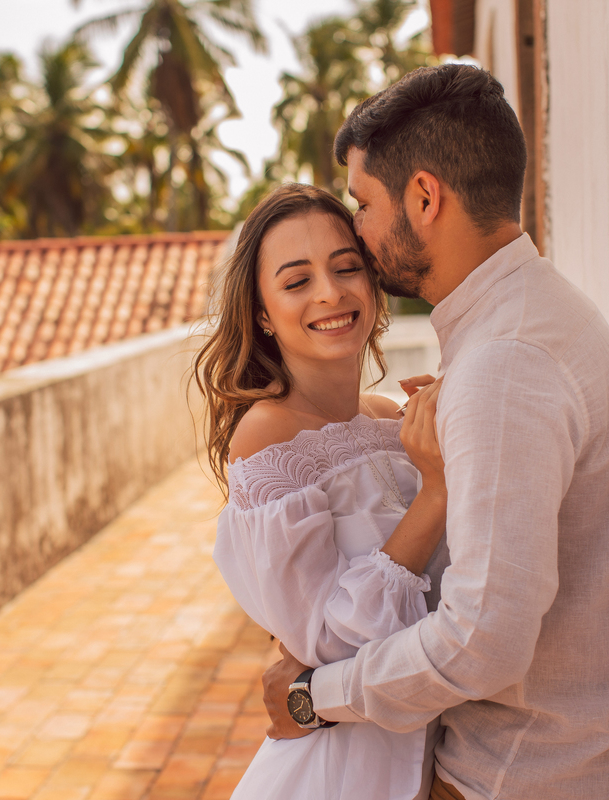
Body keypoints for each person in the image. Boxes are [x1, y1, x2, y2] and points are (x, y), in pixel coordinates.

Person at [260, 64, 609, 800]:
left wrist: (316, 696)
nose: (359, 232)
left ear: (424, 196)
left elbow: (484, 642)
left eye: (365, 205)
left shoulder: (503, 368)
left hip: (518, 776)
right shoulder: (530, 320)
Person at [192, 182, 453, 800]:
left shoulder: (391, 419)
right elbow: (331, 644)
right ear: (262, 312)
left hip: (436, 757)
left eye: (346, 267)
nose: (331, 293)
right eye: (296, 280)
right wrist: (434, 493)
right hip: (341, 775)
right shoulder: (267, 437)